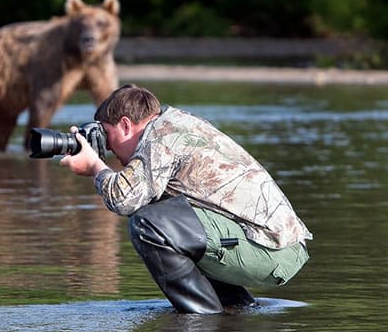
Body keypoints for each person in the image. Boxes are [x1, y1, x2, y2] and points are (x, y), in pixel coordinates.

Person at [60, 84, 312, 314]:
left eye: (106, 135)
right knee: (164, 216)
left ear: (126, 125)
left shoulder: (161, 136)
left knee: (148, 224)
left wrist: (95, 166)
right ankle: (235, 309)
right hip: (275, 246)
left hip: (271, 248)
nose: (108, 148)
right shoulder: (174, 123)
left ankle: (203, 319)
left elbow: (123, 199)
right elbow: (138, 196)